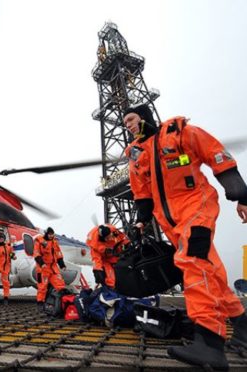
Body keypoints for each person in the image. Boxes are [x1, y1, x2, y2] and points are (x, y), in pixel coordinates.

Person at [123, 104, 247, 369]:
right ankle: (243, 327)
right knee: (209, 271)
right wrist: (141, 222)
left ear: (144, 117)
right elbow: (141, 192)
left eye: (131, 119)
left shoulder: (179, 134)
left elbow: (216, 154)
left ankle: (210, 341)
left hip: (197, 206)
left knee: (191, 259)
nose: (128, 125)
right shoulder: (137, 156)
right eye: (125, 123)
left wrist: (240, 195)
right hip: (171, 222)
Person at [86, 224, 130, 288]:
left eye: (110, 236)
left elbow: (122, 237)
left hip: (119, 256)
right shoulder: (95, 245)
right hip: (106, 260)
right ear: (103, 238)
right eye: (107, 238)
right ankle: (111, 291)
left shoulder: (114, 231)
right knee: (111, 280)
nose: (110, 238)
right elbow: (96, 259)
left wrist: (127, 243)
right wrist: (97, 270)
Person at [33, 227, 66, 309]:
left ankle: (62, 302)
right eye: (50, 234)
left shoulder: (55, 242)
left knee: (60, 284)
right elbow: (36, 254)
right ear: (46, 234)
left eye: (52, 234)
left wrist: (62, 265)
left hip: (53, 267)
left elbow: (58, 253)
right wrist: (42, 263)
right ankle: (40, 302)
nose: (51, 236)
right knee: (42, 287)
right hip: (43, 268)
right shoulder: (39, 241)